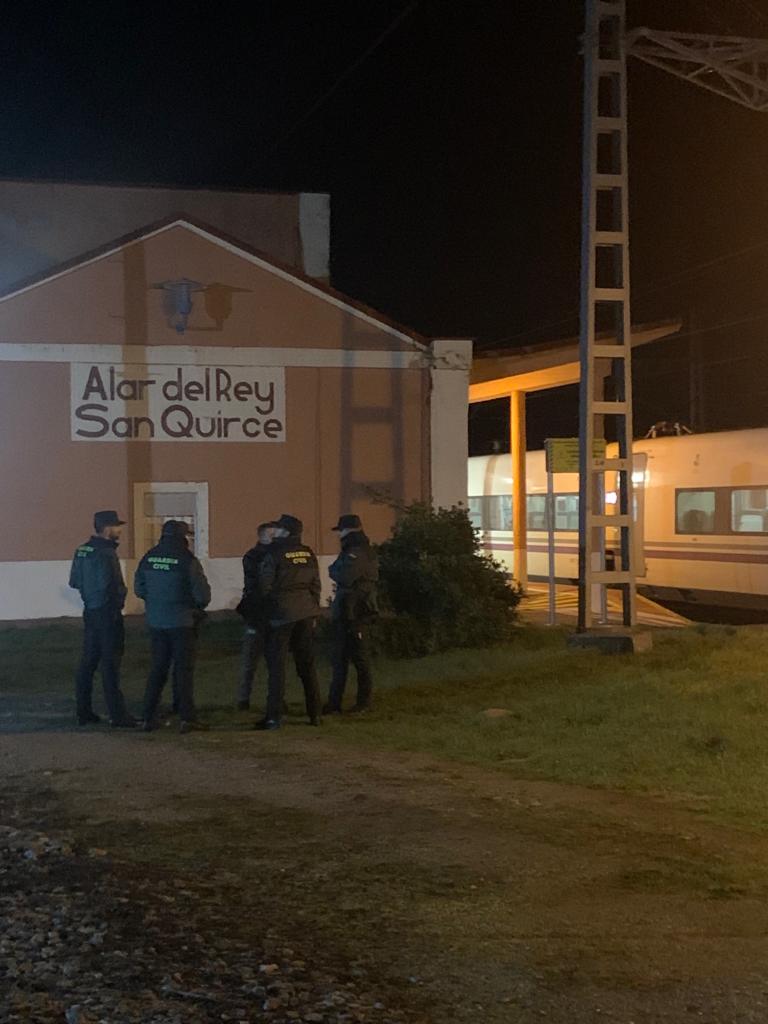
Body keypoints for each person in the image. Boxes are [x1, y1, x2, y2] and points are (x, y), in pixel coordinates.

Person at [134, 520, 211, 734]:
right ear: (182, 537)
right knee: (183, 671)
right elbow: (203, 595)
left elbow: (139, 588)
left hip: (157, 622)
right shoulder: (187, 560)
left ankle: (148, 717)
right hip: (182, 622)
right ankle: (187, 718)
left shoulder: (149, 557)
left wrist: (156, 601)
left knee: (158, 669)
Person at [69, 510, 135, 728]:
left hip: (90, 612)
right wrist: (118, 604)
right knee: (110, 665)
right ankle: (118, 715)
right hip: (108, 615)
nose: (119, 531)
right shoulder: (107, 553)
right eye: (117, 527)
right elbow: (115, 585)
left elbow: (74, 581)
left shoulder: (82, 550)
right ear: (107, 528)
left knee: (88, 663)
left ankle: (83, 711)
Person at [255, 513, 322, 731]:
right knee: (307, 666)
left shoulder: (275, 553)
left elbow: (264, 586)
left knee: (277, 667)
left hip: (281, 615)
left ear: (285, 531)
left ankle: (274, 717)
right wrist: (313, 609)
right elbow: (316, 585)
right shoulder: (308, 553)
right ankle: (315, 714)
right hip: (305, 613)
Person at [324, 514, 379, 715]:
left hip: (355, 613)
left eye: (341, 531)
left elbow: (342, 575)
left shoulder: (357, 551)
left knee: (359, 659)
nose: (339, 535)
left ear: (347, 530)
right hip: (349, 611)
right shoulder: (357, 549)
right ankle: (334, 703)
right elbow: (336, 570)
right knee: (340, 659)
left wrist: (336, 570)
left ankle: (363, 703)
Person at [235, 522, 276, 711]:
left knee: (275, 660)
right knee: (250, 659)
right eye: (272, 534)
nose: (275, 538)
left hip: (274, 614)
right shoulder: (253, 556)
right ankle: (243, 699)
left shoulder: (276, 555)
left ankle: (275, 697)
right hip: (257, 613)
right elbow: (256, 585)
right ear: (262, 536)